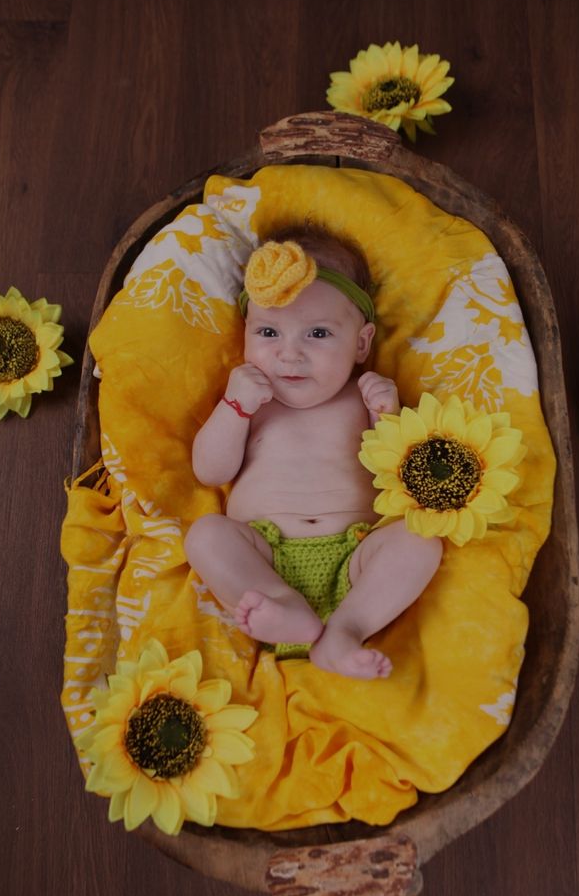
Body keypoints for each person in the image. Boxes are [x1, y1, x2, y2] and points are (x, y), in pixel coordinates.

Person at [184, 227, 442, 679]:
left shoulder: (363, 400)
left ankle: (346, 629)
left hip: (356, 558)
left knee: (420, 539)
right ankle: (285, 606)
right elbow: (209, 472)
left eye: (317, 333)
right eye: (268, 331)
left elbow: (401, 480)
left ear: (361, 343)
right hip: (263, 562)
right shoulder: (251, 404)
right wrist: (234, 407)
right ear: (245, 334)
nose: (289, 354)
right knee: (206, 534)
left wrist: (388, 417)